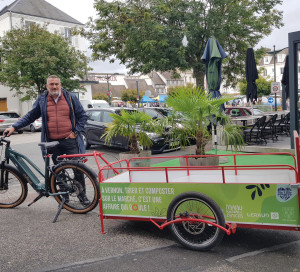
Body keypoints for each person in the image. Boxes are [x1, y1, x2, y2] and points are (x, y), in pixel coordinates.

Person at [3, 75, 89, 205]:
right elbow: (31, 116)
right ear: (47, 86)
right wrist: (14, 127)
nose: (54, 86)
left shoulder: (70, 97)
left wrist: (75, 132)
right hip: (52, 142)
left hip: (70, 140)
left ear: (60, 85)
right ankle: (63, 196)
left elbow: (82, 116)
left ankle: (82, 196)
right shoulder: (42, 99)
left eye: (56, 84)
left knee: (78, 168)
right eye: (51, 84)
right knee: (57, 170)